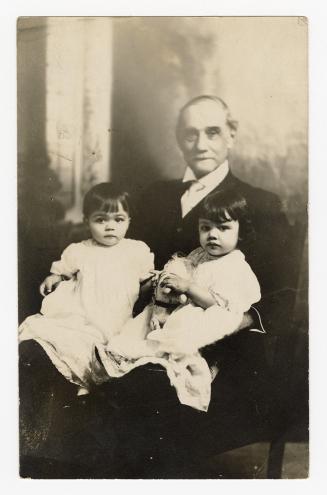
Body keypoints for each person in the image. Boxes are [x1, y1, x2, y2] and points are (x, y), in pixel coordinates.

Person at [133, 95, 290, 332]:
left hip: (216, 338)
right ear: (178, 139)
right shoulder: (154, 195)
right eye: (190, 134)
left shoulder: (262, 203)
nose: (201, 145)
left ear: (231, 134)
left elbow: (276, 292)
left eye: (213, 132)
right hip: (141, 318)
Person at [99, 189, 261, 413]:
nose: (212, 235)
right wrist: (163, 300)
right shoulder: (197, 255)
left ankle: (164, 362)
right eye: (205, 228)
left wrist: (189, 287)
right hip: (178, 310)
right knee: (140, 328)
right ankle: (128, 361)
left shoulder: (236, 267)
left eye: (223, 228)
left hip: (204, 320)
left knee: (179, 339)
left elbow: (223, 308)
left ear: (240, 232)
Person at [19, 182, 154, 397]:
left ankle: (91, 380)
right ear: (87, 221)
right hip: (83, 311)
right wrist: (53, 277)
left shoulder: (136, 250)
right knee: (72, 338)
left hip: (117, 315)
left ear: (129, 221)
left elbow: (145, 282)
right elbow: (63, 271)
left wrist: (154, 284)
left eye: (118, 220)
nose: (110, 227)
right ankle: (78, 378)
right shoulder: (79, 251)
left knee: (110, 345)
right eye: (101, 220)